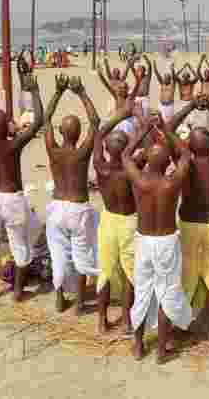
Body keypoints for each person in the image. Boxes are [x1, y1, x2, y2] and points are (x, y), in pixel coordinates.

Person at [165, 92, 209, 342]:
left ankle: (181, 325)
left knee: (187, 277)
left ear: (189, 146)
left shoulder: (185, 161)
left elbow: (169, 128)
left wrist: (190, 106)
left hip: (190, 225)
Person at [125, 118, 194, 364]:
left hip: (144, 241)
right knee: (166, 293)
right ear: (167, 163)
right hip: (165, 242)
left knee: (142, 292)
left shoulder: (138, 180)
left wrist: (141, 133)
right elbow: (186, 154)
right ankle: (161, 349)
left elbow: (125, 156)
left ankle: (137, 344)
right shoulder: (172, 182)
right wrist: (165, 129)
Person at [0, 69, 44, 302]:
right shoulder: (14, 145)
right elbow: (38, 122)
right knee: (19, 244)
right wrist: (34, 92)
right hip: (13, 199)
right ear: (8, 127)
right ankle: (18, 291)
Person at [44, 75, 101, 314]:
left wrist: (57, 92)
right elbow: (95, 121)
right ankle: (78, 303)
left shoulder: (54, 150)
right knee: (81, 256)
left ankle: (59, 298)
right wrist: (81, 92)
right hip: (78, 209)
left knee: (58, 255)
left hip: (57, 207)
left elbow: (45, 118)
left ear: (61, 132)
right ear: (78, 134)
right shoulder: (81, 154)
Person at [92, 99, 137, 334]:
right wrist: (138, 119)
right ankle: (127, 320)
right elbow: (146, 146)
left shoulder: (100, 167)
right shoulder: (132, 167)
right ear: (128, 148)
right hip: (129, 221)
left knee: (106, 272)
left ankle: (101, 320)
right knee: (130, 272)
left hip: (109, 220)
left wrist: (120, 115)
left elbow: (99, 135)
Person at [151, 56, 176, 121]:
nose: (165, 78)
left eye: (167, 77)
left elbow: (174, 77)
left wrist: (172, 69)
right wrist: (154, 66)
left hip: (169, 106)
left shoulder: (172, 85)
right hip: (161, 105)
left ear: (169, 79)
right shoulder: (162, 84)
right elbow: (157, 74)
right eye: (165, 77)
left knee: (168, 121)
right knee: (159, 120)